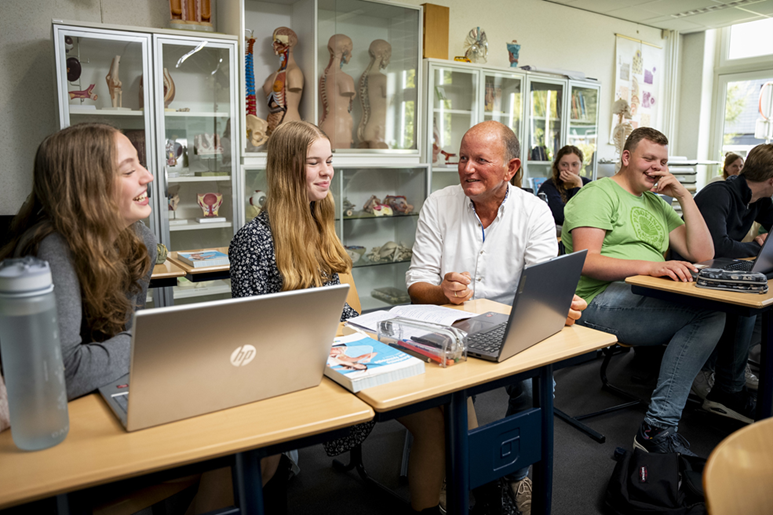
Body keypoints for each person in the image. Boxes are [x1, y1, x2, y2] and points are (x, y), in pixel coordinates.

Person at [229, 120, 445, 514]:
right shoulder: (253, 239)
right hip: (287, 372)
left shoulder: (317, 224)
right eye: (314, 162)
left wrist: (375, 328)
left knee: (432, 417)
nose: (327, 170)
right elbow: (251, 334)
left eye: (329, 160)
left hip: (338, 352)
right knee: (263, 463)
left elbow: (334, 306)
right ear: (287, 168)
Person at [406, 120, 586, 515]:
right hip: (447, 324)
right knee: (449, 391)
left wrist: (560, 304)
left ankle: (514, 471)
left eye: (481, 160)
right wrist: (443, 291)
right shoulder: (439, 203)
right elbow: (417, 285)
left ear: (512, 167)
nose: (468, 168)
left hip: (511, 323)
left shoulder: (534, 211)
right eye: (463, 157)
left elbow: (541, 285)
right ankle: (458, 470)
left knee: (537, 386)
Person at [562, 127, 725, 456]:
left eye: (663, 161)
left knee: (716, 310)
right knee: (709, 315)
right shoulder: (599, 193)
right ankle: (658, 428)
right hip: (596, 300)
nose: (656, 167)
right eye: (648, 158)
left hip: (643, 296)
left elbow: (703, 253)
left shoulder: (657, 203)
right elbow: (586, 261)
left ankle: (663, 422)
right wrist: (649, 266)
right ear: (626, 158)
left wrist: (684, 196)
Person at [0, 123, 157, 401]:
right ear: (87, 187)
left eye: (140, 164)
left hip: (100, 392)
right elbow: (64, 373)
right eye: (129, 170)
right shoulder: (51, 249)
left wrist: (141, 342)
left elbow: (122, 339)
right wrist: (155, 339)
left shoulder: (141, 242)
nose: (148, 176)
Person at [687, 143, 773, 422]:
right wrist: (757, 249)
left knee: (763, 309)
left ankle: (731, 370)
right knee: (748, 305)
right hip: (693, 275)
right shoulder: (720, 193)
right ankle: (726, 385)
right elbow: (719, 247)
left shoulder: (757, 199)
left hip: (718, 270)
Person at [537, 145, 591, 225]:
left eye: (574, 164)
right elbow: (564, 217)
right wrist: (578, 186)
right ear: (558, 166)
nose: (570, 169)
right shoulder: (548, 186)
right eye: (564, 165)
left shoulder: (589, 184)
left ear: (581, 165)